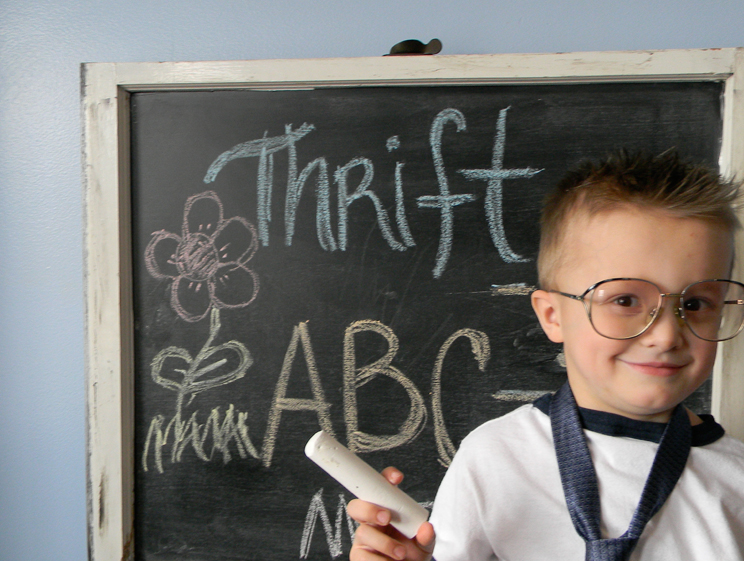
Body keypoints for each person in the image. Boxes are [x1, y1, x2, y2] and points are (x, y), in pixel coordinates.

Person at [347, 150, 744, 560]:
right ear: (553, 316)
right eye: (625, 300)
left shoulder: (736, 481)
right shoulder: (494, 458)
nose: (666, 335)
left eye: (695, 304)